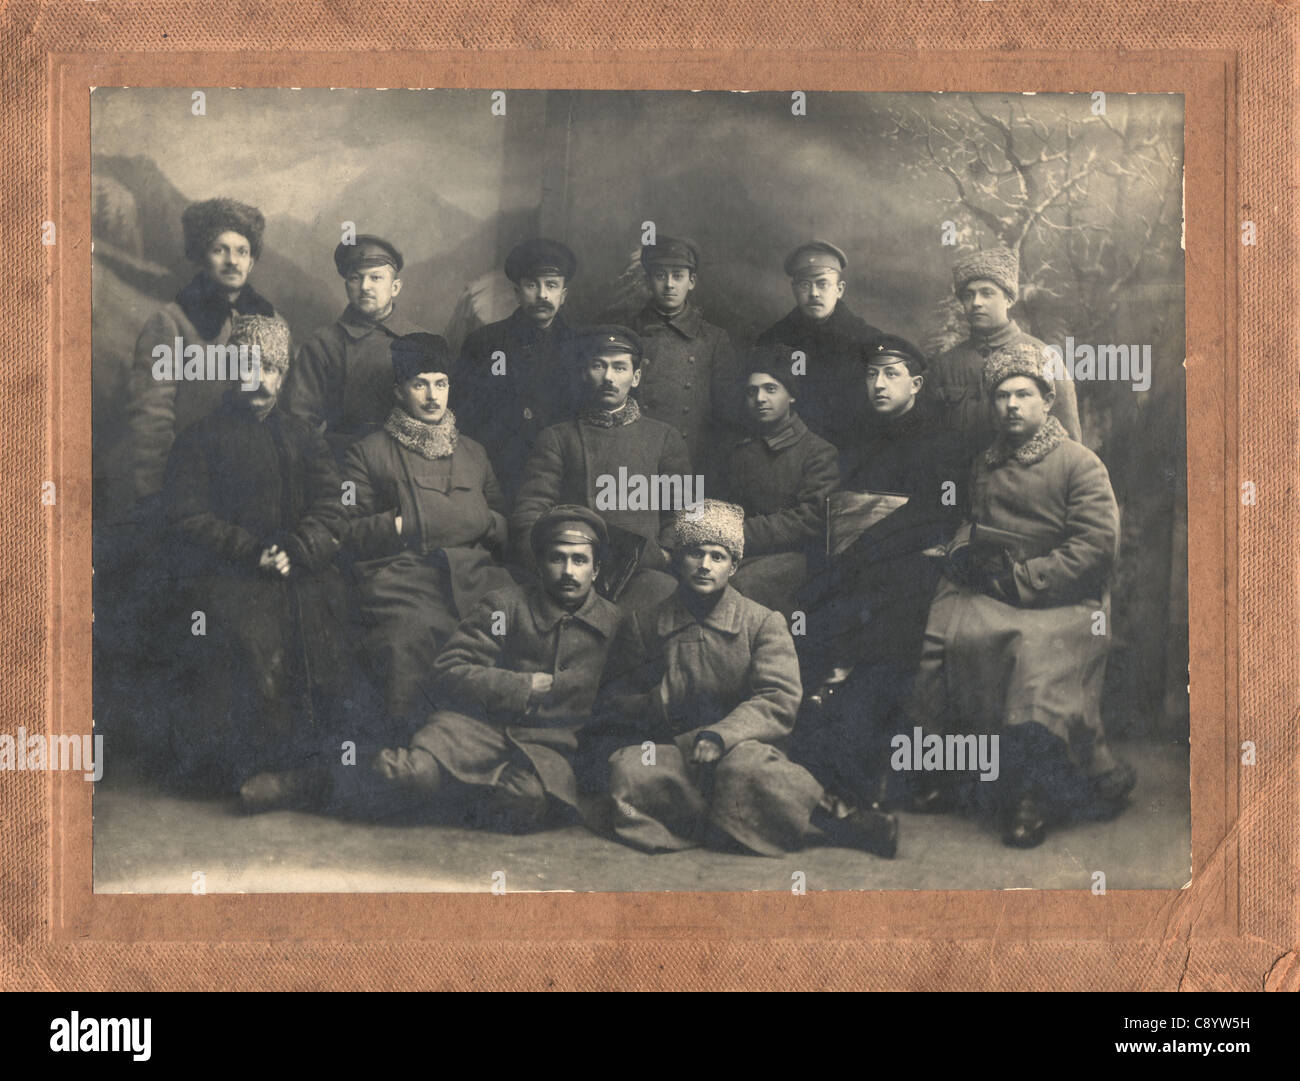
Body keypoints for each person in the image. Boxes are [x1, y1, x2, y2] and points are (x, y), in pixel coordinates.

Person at [240, 506, 621, 830]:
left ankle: (425, 797)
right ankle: (311, 783)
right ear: (540, 563)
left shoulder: (614, 626)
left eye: (579, 560)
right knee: (405, 773)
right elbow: (450, 670)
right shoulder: (507, 606)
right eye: (557, 558)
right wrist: (519, 686)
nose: (568, 571)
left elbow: (621, 703)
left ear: (597, 570)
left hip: (544, 752)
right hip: (477, 731)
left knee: (524, 804)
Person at [908, 341, 1134, 847]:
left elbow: (1096, 548)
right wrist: (962, 551)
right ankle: (950, 772)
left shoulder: (1080, 464)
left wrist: (1025, 579)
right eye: (1002, 396)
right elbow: (974, 522)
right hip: (995, 589)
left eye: (1023, 395)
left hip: (1065, 601)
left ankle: (1033, 794)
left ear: (1046, 401)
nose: (1010, 405)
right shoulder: (984, 464)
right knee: (941, 639)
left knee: (1034, 658)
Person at [586, 501, 898, 858]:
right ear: (676, 560)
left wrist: (722, 735)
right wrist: (659, 701)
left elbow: (778, 698)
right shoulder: (645, 624)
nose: (705, 566)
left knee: (743, 770)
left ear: (733, 566)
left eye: (717, 557)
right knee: (629, 770)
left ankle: (840, 820)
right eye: (695, 554)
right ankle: (724, 821)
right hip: (677, 748)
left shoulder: (762, 623)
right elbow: (617, 700)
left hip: (744, 744)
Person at [162, 314, 354, 792]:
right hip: (229, 570)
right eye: (247, 366)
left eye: (270, 368)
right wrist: (253, 552)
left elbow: (332, 507)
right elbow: (187, 518)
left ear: (283, 375)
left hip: (302, 567)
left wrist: (299, 548)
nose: (258, 379)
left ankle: (317, 767)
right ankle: (242, 766)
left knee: (333, 618)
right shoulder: (199, 438)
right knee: (242, 634)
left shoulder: (306, 436)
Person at [794, 335, 965, 810]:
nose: (879, 384)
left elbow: (939, 512)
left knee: (885, 649)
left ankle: (869, 774)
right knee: (813, 617)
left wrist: (869, 543)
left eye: (891, 374)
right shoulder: (856, 434)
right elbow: (836, 506)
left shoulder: (942, 437)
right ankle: (814, 760)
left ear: (916, 382)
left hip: (910, 564)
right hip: (853, 561)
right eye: (872, 374)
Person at [341, 332, 515, 721]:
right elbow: (346, 531)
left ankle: (487, 746)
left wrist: (481, 520)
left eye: (441, 384)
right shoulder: (367, 453)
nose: (433, 396)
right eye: (420, 384)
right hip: (403, 580)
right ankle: (410, 751)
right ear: (400, 390)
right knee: (411, 636)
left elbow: (502, 525)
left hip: (479, 578)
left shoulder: (473, 452)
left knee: (517, 625)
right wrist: (405, 522)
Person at [510, 326, 687, 613]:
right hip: (573, 574)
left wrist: (663, 555)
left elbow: (683, 513)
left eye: (619, 368)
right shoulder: (557, 437)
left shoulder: (665, 437)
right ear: (584, 372)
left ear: (636, 377)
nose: (608, 378)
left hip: (643, 574)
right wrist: (549, 566)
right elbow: (530, 514)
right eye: (598, 366)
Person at [126, 197, 276, 504]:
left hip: (256, 485)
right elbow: (152, 417)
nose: (233, 261)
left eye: (242, 251)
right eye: (220, 250)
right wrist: (156, 495)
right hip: (189, 485)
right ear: (200, 257)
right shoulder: (170, 323)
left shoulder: (271, 322)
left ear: (252, 262)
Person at [451, 238, 582, 501]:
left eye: (552, 285)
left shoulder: (581, 349)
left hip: (559, 476)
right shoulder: (484, 343)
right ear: (516, 291)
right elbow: (462, 415)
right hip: (496, 474)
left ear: (563, 295)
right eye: (532, 284)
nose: (543, 295)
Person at [715, 344, 839, 618]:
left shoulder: (818, 451)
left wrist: (735, 532)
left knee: (740, 588)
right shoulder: (739, 449)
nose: (760, 398)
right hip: (742, 551)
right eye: (752, 391)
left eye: (771, 389)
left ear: (791, 396)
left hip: (797, 557)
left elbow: (811, 520)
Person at [926, 246, 1082, 461]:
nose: (977, 303)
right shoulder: (945, 366)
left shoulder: (1044, 356)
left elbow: (1070, 447)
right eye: (969, 295)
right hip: (957, 486)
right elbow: (930, 443)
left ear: (1009, 300)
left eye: (987, 293)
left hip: (1025, 484)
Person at [281, 234, 427, 461]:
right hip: (342, 463)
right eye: (355, 278)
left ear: (395, 287)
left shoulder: (422, 342)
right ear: (347, 285)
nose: (365, 287)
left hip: (408, 464)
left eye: (376, 278)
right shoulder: (323, 344)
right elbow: (298, 423)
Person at [621, 236, 740, 467]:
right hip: (636, 457)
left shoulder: (714, 340)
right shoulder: (627, 332)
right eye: (660, 275)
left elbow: (727, 417)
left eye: (678, 276)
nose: (669, 285)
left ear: (692, 281)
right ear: (648, 281)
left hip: (693, 459)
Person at [755, 241, 883, 449]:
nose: (814, 293)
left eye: (822, 284)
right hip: (790, 453)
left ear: (839, 289)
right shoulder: (772, 340)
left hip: (854, 454)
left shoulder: (868, 340)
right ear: (794, 289)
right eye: (805, 285)